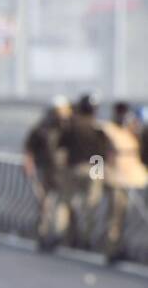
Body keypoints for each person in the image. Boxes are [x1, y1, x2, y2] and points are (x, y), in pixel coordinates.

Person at [58, 94, 108, 249]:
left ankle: (67, 235)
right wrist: (99, 176)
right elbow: (101, 153)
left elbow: (61, 148)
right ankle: (87, 239)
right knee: (91, 205)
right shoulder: (98, 127)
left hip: (73, 168)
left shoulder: (72, 126)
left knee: (67, 203)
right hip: (93, 169)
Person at [100, 101, 148, 264]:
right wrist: (98, 178)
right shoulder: (108, 131)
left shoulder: (134, 132)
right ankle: (112, 249)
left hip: (136, 180)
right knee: (115, 218)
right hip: (117, 182)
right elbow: (97, 156)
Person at [22, 98, 71, 252]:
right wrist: (28, 165)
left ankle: (60, 236)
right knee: (45, 204)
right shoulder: (40, 130)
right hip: (44, 171)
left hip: (64, 172)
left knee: (64, 204)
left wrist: (97, 172)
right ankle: (43, 236)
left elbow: (93, 153)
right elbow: (28, 149)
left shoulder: (69, 129)